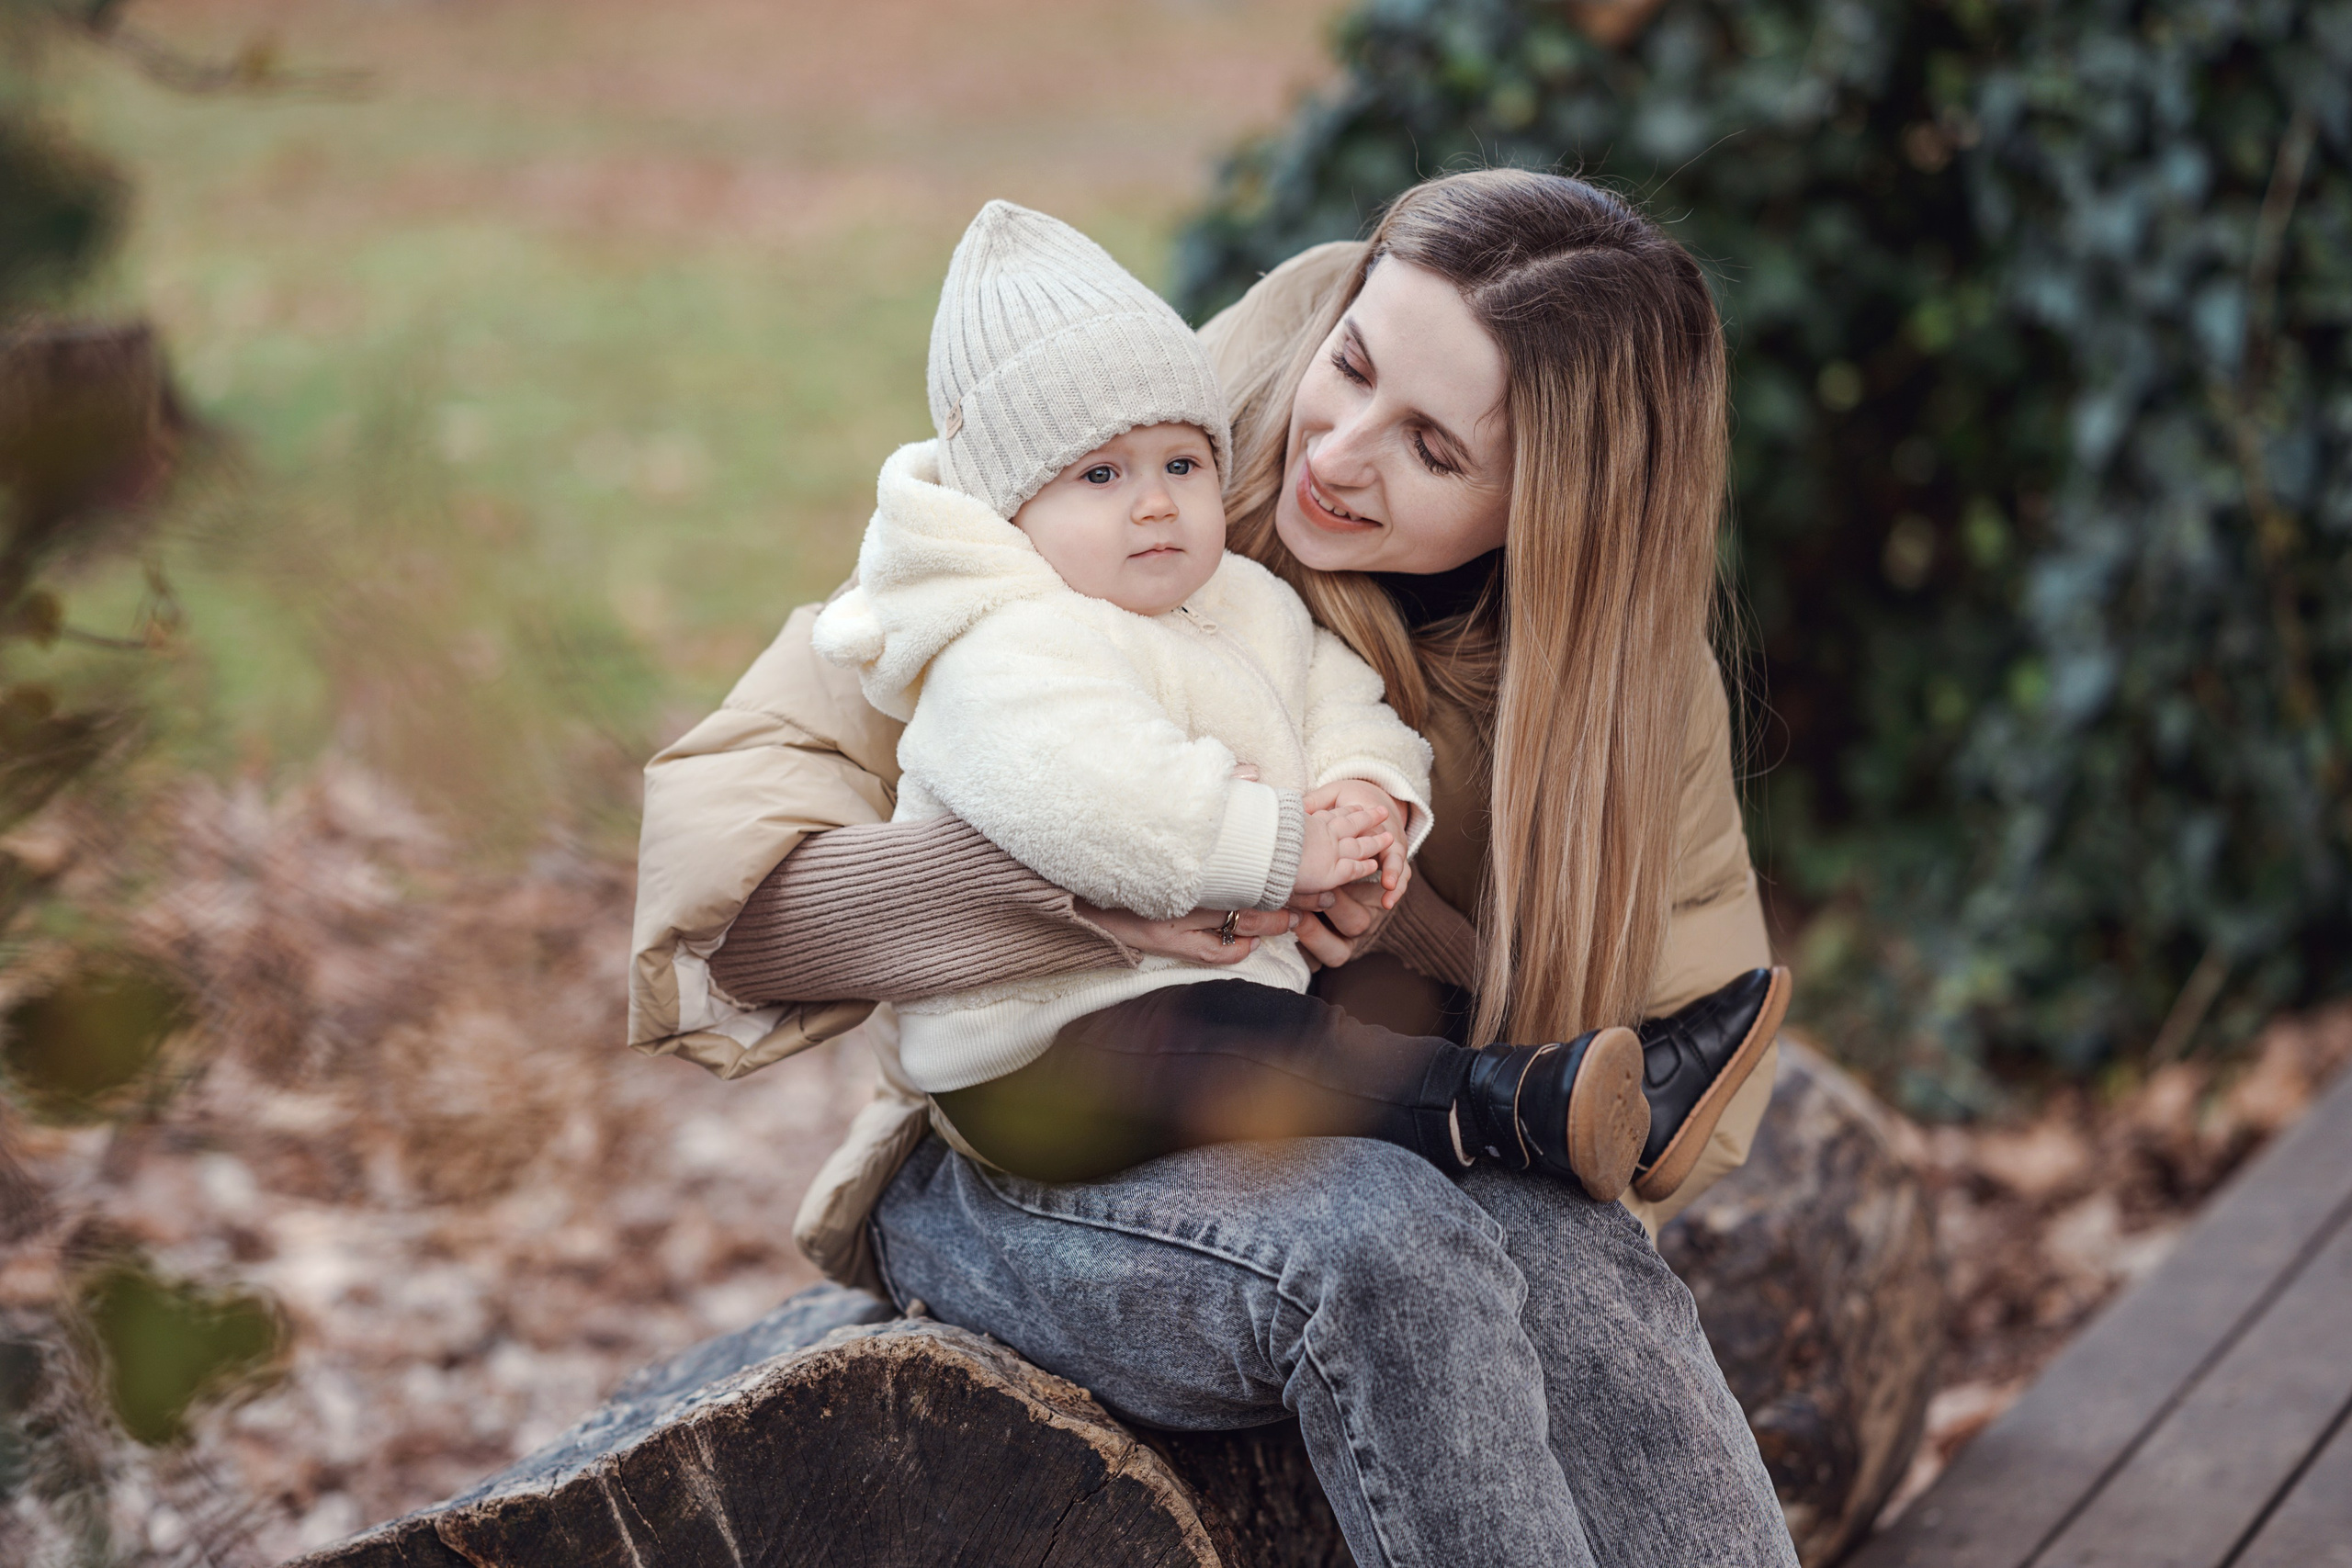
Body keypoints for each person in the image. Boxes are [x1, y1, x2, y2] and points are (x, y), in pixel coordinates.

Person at [629, 168, 1799, 1565]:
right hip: (1030, 1149)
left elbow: (1669, 1108)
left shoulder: (1625, 700)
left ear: (1559, 509)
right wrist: (1079, 895)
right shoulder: (1115, 467)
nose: (1339, 451)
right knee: (1384, 1246)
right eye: (1352, 364)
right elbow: (736, 919)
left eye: (1430, 446)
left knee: (1561, 1240)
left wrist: (1388, 901)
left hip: (1377, 1127)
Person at [811, 198, 1658, 1197]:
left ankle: (1565, 1099)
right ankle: (1498, 1108)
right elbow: (1087, 792)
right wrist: (1273, 845)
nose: (1156, 501)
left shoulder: (1244, 598)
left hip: (1225, 990)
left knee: (1371, 1023)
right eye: (1099, 475)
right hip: (1037, 1046)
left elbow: (1335, 694)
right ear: (1011, 506)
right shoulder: (1007, 639)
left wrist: (1365, 791)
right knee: (1254, 1049)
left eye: (1181, 464)